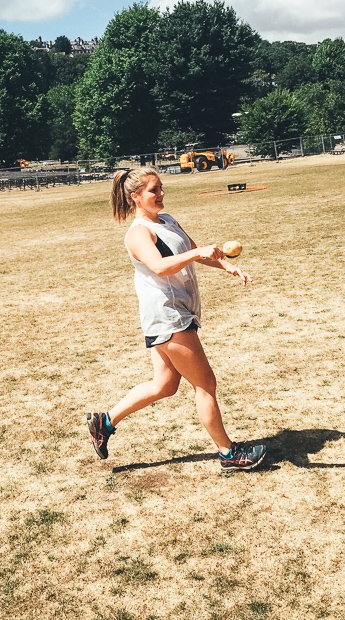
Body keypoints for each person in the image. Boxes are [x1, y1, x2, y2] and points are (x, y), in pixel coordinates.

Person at [86, 167, 267, 471]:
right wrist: (196, 255)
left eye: (161, 188)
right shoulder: (139, 233)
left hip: (175, 311)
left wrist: (227, 266)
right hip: (168, 316)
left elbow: (196, 251)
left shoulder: (167, 221)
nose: (160, 194)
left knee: (165, 384)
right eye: (153, 190)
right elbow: (159, 266)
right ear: (136, 197)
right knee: (205, 383)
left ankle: (104, 423)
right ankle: (229, 453)